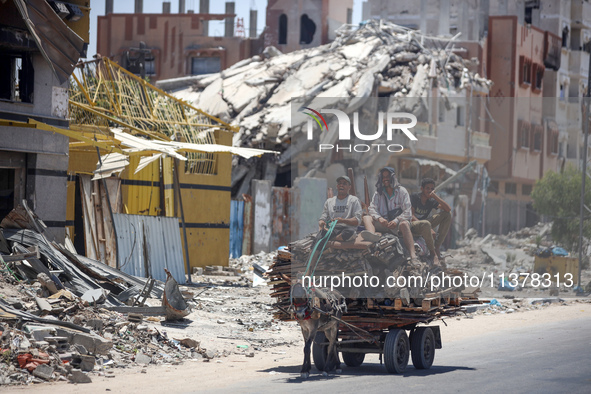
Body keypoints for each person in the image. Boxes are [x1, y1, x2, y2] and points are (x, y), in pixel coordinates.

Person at [361, 167, 419, 262]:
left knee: (404, 224)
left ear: (393, 177)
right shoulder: (378, 193)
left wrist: (396, 221)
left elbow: (408, 212)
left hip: (398, 225)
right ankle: (372, 236)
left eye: (387, 176)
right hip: (384, 224)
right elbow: (372, 209)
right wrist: (380, 219)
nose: (385, 179)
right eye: (383, 177)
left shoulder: (402, 191)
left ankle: (413, 256)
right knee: (367, 217)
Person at [410, 178, 452, 264]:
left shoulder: (431, 200)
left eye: (432, 189)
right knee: (426, 223)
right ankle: (433, 253)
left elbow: (448, 209)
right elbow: (411, 216)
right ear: (422, 189)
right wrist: (428, 228)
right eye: (427, 188)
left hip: (426, 223)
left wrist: (435, 196)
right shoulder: (415, 197)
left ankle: (437, 246)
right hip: (414, 225)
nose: (430, 191)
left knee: (447, 215)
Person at [318, 175, 363, 244]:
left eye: (344, 183)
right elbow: (323, 217)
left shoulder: (354, 200)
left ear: (349, 187)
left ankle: (332, 239)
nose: (341, 185)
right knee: (320, 235)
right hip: (333, 229)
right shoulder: (329, 201)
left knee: (350, 232)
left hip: (347, 229)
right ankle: (314, 253)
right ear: (337, 186)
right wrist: (321, 222)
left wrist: (342, 220)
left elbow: (357, 220)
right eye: (339, 183)